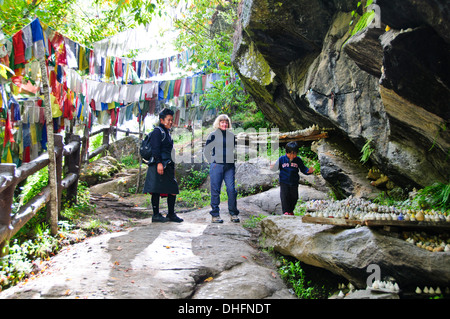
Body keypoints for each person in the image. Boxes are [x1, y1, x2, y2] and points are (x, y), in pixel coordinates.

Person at [143, 108, 183, 223]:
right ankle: (156, 215)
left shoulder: (166, 132)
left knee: (172, 188)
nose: (171, 122)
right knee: (156, 189)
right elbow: (156, 149)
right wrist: (159, 163)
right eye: (168, 120)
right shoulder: (157, 131)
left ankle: (171, 214)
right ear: (162, 120)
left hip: (168, 164)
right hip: (159, 164)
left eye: (171, 120)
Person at [204, 114, 240, 223]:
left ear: (228, 123)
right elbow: (206, 151)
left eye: (226, 122)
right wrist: (213, 162)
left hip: (229, 166)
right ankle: (215, 215)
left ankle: (233, 213)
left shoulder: (231, 135)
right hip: (217, 166)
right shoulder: (213, 135)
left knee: (231, 190)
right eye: (222, 122)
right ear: (218, 123)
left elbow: (232, 149)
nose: (224, 124)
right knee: (215, 190)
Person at [271, 142, 315, 216]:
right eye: (291, 154)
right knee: (285, 197)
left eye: (295, 154)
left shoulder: (298, 160)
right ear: (286, 152)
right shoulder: (282, 159)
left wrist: (308, 171)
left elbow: (303, 169)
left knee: (294, 197)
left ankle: (290, 211)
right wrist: (273, 167)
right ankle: (286, 212)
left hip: (294, 182)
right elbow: (275, 168)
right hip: (284, 182)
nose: (293, 156)